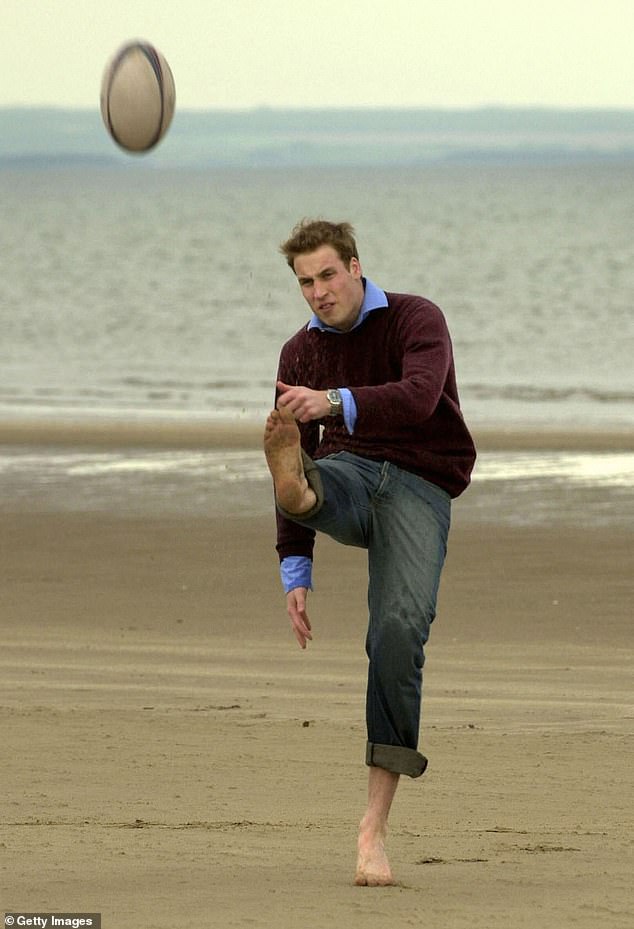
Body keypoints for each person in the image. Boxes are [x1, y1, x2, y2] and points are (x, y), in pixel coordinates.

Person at [263, 219, 476, 886]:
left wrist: (332, 401)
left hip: (419, 482)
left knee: (397, 631)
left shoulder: (416, 318)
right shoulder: (298, 354)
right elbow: (290, 442)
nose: (318, 292)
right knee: (303, 477)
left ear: (356, 267)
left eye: (327, 274)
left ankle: (373, 827)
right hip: (349, 473)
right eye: (305, 282)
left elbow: (417, 399)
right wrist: (295, 565)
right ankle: (302, 496)